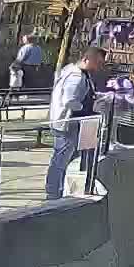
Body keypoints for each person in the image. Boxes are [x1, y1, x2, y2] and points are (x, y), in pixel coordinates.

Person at [46, 48, 102, 200]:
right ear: (86, 59)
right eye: (97, 62)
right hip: (69, 123)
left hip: (71, 122)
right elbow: (69, 101)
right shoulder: (76, 76)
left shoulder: (75, 72)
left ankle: (61, 190)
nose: (98, 66)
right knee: (61, 159)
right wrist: (86, 107)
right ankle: (53, 193)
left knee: (68, 158)